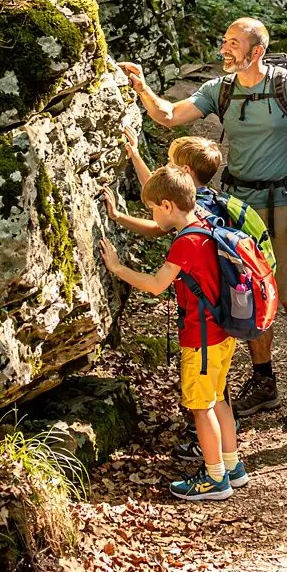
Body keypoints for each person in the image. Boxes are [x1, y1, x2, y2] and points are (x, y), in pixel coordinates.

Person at [120, 18, 287, 428]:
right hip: (238, 208)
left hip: (284, 202)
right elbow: (169, 116)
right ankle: (264, 380)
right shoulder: (221, 89)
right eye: (225, 41)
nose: (225, 49)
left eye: (234, 43)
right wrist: (142, 87)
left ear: (257, 51)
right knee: (246, 288)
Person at [100, 165, 248, 501]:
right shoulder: (204, 224)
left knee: (201, 406)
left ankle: (214, 479)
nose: (153, 215)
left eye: (154, 207)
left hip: (201, 340)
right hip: (222, 334)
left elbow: (155, 285)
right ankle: (232, 466)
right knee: (218, 398)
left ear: (167, 206)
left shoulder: (185, 244)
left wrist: (117, 268)